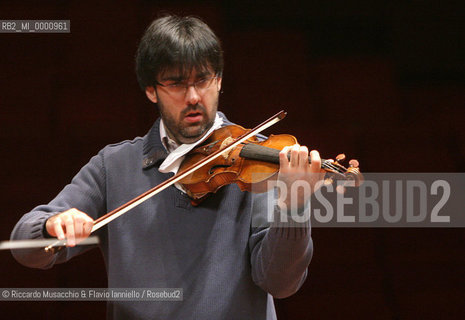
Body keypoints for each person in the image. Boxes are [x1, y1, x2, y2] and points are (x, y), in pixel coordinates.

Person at [11, 15, 324, 320]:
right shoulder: (114, 166)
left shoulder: (257, 164)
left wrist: (294, 207)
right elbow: (25, 246)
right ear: (151, 90)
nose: (192, 97)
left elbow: (280, 284)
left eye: (203, 80)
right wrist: (53, 225)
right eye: (176, 83)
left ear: (219, 80)